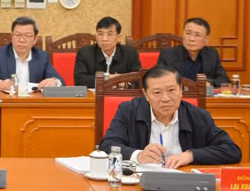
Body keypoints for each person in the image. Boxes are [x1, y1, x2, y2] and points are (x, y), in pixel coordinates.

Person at [100, 65, 241, 168]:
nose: (165, 98)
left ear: (181, 90)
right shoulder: (128, 110)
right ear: (145, 95)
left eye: (171, 90)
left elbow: (232, 150)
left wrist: (190, 155)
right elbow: (107, 145)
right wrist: (139, 156)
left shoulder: (197, 116)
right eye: (157, 92)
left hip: (185, 185)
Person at [0, 16, 63, 90]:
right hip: (6, 103)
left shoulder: (42, 57)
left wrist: (54, 81)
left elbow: (60, 81)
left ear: (35, 39)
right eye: (17, 35)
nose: (21, 40)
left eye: (27, 36)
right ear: (12, 37)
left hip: (33, 104)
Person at [157, 17, 230, 87]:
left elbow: (224, 80)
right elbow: (159, 80)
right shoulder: (168, 54)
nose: (191, 39)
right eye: (188, 33)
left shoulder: (212, 54)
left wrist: (209, 83)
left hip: (202, 97)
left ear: (206, 40)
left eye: (197, 35)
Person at [74, 16, 141, 88]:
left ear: (119, 37)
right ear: (96, 37)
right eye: (100, 34)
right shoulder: (85, 53)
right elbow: (79, 80)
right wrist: (110, 78)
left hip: (120, 97)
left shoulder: (130, 53)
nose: (104, 39)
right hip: (94, 97)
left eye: (109, 34)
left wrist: (126, 84)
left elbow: (138, 79)